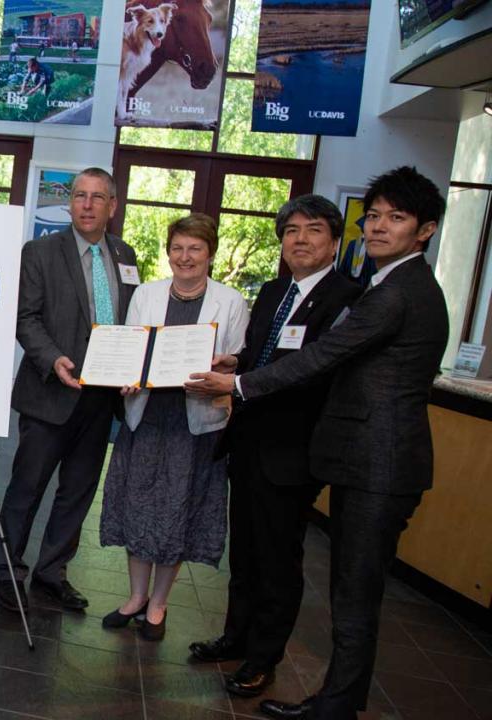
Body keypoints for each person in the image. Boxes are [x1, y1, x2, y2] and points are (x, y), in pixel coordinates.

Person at [186, 166, 450, 720]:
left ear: (424, 230)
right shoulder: (369, 284)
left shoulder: (385, 294)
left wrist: (237, 383)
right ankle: (262, 654)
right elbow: (273, 351)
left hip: (359, 458)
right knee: (257, 558)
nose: (378, 227)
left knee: (344, 593)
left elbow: (319, 361)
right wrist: (240, 364)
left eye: (395, 218)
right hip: (285, 446)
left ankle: (329, 702)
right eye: (373, 216)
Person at [188, 196, 361, 696]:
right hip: (247, 442)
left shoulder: (347, 298)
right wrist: (232, 366)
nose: (300, 240)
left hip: (292, 453)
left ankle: (263, 658)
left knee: (277, 560)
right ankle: (235, 637)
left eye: (312, 230)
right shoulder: (273, 291)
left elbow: (313, 371)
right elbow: (260, 354)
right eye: (291, 231)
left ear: (334, 240)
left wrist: (240, 384)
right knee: (244, 552)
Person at [0, 168, 140, 613]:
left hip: (101, 398)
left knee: (78, 491)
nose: (88, 204)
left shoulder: (125, 253)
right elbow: (25, 318)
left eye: (98, 197)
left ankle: (52, 572)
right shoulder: (39, 252)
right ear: (69, 203)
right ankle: (8, 570)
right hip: (49, 394)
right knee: (27, 487)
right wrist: (53, 358)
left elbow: (132, 321)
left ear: (113, 206)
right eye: (80, 196)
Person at [97, 213, 249, 641]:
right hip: (145, 416)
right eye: (178, 248)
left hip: (194, 422)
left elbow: (237, 359)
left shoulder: (231, 302)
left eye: (195, 248)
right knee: (137, 505)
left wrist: (229, 366)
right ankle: (135, 597)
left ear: (210, 254)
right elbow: (129, 348)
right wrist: (123, 373)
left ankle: (159, 604)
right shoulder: (145, 295)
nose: (185, 257)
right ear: (168, 253)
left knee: (177, 511)